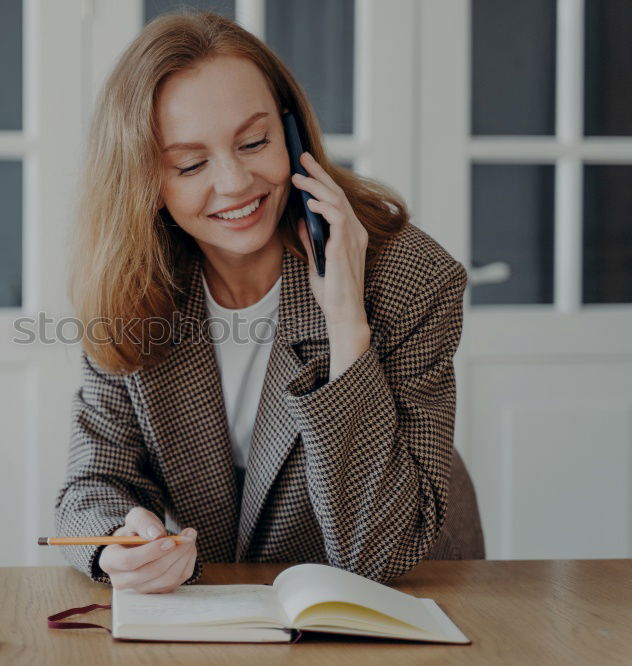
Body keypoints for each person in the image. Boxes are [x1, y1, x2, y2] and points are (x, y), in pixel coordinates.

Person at [55, 10, 481, 594]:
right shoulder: (133, 284)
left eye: (254, 142)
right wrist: (115, 545)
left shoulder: (411, 278)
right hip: (240, 605)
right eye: (191, 163)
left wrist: (346, 324)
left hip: (417, 585)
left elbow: (380, 552)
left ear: (293, 134)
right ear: (145, 180)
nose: (234, 183)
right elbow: (95, 482)